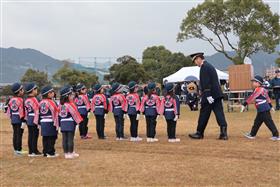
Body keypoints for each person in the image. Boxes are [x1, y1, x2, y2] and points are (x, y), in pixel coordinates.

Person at [188, 52, 228, 140]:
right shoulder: (209, 66)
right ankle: (224, 133)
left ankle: (199, 133)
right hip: (216, 94)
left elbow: (206, 83)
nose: (195, 63)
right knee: (219, 113)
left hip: (209, 95)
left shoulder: (204, 67)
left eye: (195, 61)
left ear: (199, 59)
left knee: (203, 114)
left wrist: (208, 95)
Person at [241, 76, 280, 141]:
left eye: (254, 82)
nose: (252, 83)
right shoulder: (263, 89)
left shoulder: (259, 89)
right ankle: (252, 134)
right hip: (262, 109)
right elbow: (267, 98)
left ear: (258, 83)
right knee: (257, 122)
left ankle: (276, 135)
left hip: (263, 109)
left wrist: (244, 104)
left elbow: (252, 97)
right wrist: (270, 106)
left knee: (269, 122)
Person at [59, 86, 83, 159]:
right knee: (70, 138)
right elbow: (75, 114)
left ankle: (66, 153)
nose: (72, 96)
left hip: (62, 123)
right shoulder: (70, 105)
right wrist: (78, 122)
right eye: (71, 95)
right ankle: (70, 152)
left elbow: (58, 115)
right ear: (67, 96)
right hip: (70, 123)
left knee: (64, 139)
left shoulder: (61, 105)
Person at [6, 83, 27, 155]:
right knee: (19, 134)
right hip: (19, 119)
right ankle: (19, 149)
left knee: (15, 134)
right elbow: (22, 110)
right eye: (22, 90)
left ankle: (15, 149)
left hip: (13, 119)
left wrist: (11, 117)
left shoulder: (11, 100)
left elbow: (9, 111)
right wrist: (23, 120)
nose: (23, 91)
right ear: (19, 91)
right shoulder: (21, 100)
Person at [39, 86, 59, 157]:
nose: (53, 93)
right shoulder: (51, 102)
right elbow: (56, 111)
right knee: (52, 137)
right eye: (52, 92)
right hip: (50, 121)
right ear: (48, 94)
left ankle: (45, 152)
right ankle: (51, 152)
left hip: (43, 121)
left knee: (45, 138)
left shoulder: (41, 102)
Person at [24, 83, 42, 156]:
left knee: (30, 135)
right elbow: (37, 110)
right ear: (32, 90)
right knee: (35, 135)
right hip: (34, 118)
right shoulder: (34, 99)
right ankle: (34, 151)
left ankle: (31, 151)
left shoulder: (26, 99)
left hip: (29, 118)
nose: (36, 90)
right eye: (36, 89)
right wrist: (38, 120)